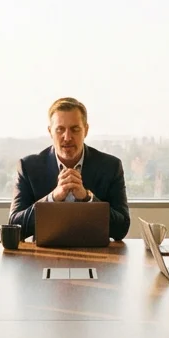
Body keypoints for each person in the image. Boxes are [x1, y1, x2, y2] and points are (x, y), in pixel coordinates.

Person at [9, 97, 130, 241]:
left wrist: (87, 199)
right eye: (60, 129)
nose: (67, 137)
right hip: (44, 257)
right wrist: (52, 199)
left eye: (75, 129)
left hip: (98, 256)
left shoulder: (111, 167)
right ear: (50, 132)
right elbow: (15, 226)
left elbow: (121, 229)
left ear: (85, 130)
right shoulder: (29, 167)